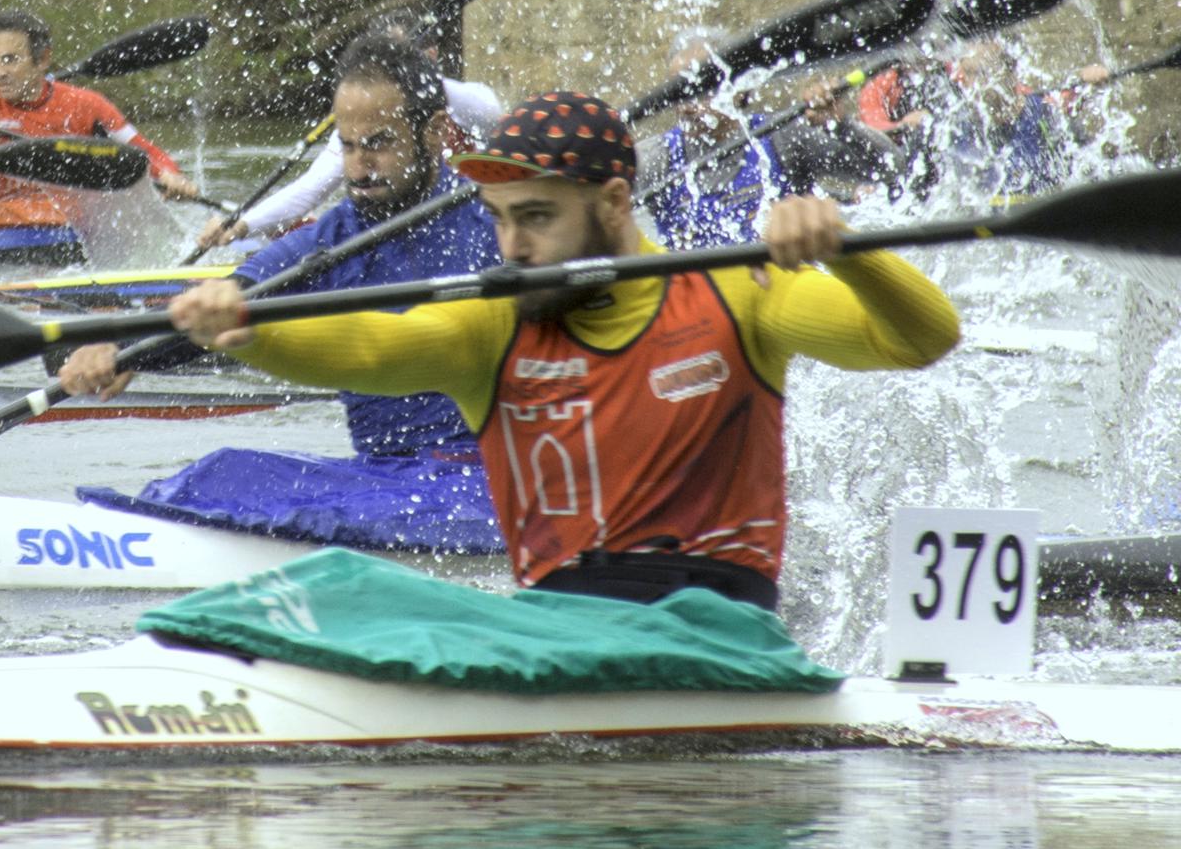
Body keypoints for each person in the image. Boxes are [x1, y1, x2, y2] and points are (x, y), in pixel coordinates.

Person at [165, 92, 960, 607]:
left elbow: (925, 337)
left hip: (719, 632)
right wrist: (245, 328)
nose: (510, 245)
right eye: (499, 218)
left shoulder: (740, 296)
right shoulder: (494, 328)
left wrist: (846, 248)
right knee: (334, 592)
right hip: (557, 623)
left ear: (613, 203)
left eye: (536, 217)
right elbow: (370, 345)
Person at [57, 44, 506, 547]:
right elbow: (229, 296)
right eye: (348, 147)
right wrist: (125, 347)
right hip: (384, 476)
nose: (358, 169)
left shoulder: (500, 224)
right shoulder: (333, 238)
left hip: (490, 481)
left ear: (435, 132)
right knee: (220, 473)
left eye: (378, 144)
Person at [193, 12, 500, 250]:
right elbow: (309, 191)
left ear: (430, 57)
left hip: (469, 223)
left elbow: (495, 114)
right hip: (396, 235)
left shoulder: (467, 104)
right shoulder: (359, 127)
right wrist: (242, 225)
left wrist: (417, 82)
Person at [0, 9, 208, 227]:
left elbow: (143, 151)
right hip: (1, 219)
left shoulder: (86, 105)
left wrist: (171, 176)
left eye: (10, 60)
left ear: (42, 60)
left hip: (70, 222)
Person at [638, 35, 773, 247]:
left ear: (739, 90)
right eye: (678, 93)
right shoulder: (655, 157)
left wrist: (839, 127)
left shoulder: (780, 136)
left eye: (699, 91)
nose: (686, 107)